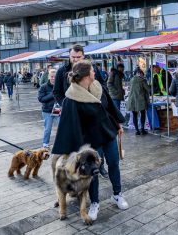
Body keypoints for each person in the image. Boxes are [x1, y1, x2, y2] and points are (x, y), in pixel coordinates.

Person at [51, 60, 128, 222]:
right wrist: (70, 149)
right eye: (93, 70)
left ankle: (117, 194)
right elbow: (68, 124)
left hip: (108, 133)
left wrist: (118, 124)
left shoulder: (98, 86)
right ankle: (94, 202)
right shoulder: (71, 98)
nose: (95, 72)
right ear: (86, 76)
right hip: (91, 142)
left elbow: (109, 109)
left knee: (114, 163)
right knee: (94, 172)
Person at [53, 44, 108, 178]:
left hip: (91, 113)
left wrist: (98, 103)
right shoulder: (62, 71)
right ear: (69, 56)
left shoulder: (91, 69)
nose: (76, 59)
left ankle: (99, 165)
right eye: (73, 57)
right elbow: (57, 92)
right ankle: (76, 169)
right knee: (75, 143)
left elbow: (102, 86)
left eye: (79, 57)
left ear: (83, 56)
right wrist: (65, 105)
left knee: (96, 140)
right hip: (72, 114)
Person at [38, 69, 60, 148]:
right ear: (48, 77)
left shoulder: (59, 86)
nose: (53, 78)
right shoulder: (43, 87)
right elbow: (40, 99)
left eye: (55, 77)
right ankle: (45, 144)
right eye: (52, 76)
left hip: (57, 109)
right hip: (47, 110)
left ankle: (60, 143)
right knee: (48, 129)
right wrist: (52, 95)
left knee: (61, 128)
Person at [126, 67, 150, 135]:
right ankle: (142, 129)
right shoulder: (142, 80)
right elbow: (148, 89)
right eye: (143, 74)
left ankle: (137, 131)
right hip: (140, 100)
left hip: (132, 100)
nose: (143, 75)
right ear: (140, 74)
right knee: (142, 114)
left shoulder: (131, 80)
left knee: (134, 115)